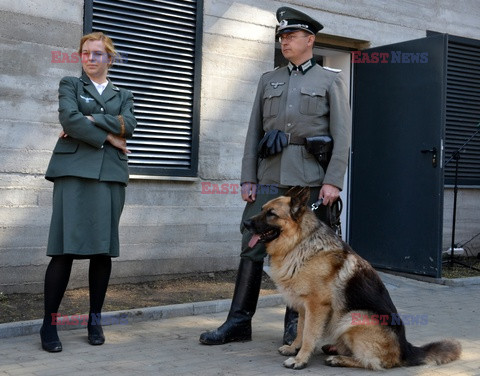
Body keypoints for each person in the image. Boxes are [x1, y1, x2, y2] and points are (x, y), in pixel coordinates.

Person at [199, 7, 351, 346]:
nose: (285, 41)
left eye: (291, 36)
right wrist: (247, 177)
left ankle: (294, 328)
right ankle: (238, 322)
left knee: (303, 256)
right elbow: (254, 131)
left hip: (308, 181)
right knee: (251, 246)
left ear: (310, 40)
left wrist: (333, 181)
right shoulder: (269, 80)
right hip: (268, 177)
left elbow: (343, 135)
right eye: (282, 37)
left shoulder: (330, 80)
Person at [40, 32, 136, 352]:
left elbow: (130, 125)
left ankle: (95, 320)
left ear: (109, 58)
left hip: (109, 176)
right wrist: (109, 136)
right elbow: (68, 117)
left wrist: (91, 118)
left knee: (102, 251)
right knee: (63, 250)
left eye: (97, 54)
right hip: (72, 174)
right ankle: (49, 325)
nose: (90, 59)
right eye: (85, 53)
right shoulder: (70, 84)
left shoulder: (123, 93)